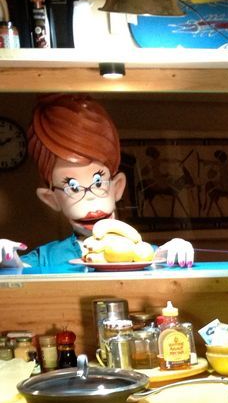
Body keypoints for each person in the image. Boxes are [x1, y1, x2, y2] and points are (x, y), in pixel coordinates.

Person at [0, 93, 193, 273]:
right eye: (73, 187)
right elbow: (17, 284)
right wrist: (8, 265)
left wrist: (174, 256)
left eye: (98, 182)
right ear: (51, 199)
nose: (90, 197)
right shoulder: (46, 260)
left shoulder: (145, 255)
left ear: (117, 187)